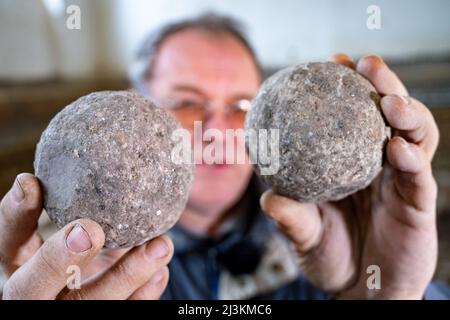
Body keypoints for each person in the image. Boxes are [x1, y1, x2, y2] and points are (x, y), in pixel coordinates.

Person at [1, 13, 449, 300]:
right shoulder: (55, 260)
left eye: (241, 108)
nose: (216, 129)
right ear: (128, 110)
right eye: (187, 101)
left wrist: (395, 293)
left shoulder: (332, 239)